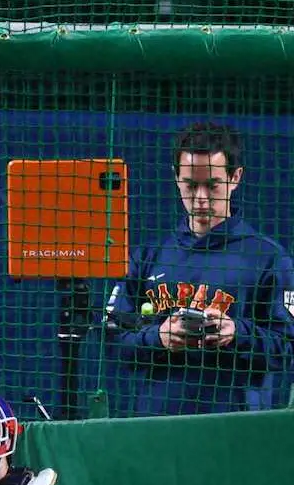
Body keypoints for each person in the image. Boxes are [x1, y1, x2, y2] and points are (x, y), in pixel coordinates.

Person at [105, 121, 294, 414]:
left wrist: (236, 333)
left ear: (236, 177)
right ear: (176, 178)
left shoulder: (270, 258)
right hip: (154, 428)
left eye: (213, 185)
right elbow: (113, 340)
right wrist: (159, 337)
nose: (201, 198)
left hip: (235, 432)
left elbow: (288, 348)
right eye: (191, 185)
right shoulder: (147, 257)